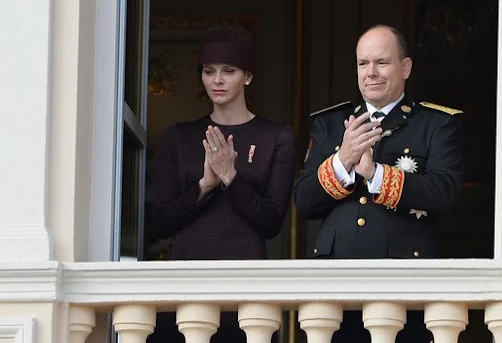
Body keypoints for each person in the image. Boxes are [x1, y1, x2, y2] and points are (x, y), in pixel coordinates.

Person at [293, 24, 464, 343]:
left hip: (405, 286)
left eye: (382, 62)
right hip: (335, 285)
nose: (371, 72)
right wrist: (342, 160)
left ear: (406, 67)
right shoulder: (330, 124)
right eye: (363, 63)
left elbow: (445, 193)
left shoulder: (435, 124)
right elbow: (304, 201)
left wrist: (376, 174)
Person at [148, 25, 296, 343]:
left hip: (248, 284)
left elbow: (271, 223)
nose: (217, 80)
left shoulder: (276, 137)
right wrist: (204, 185)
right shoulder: (179, 137)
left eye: (229, 70)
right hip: (187, 281)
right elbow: (161, 221)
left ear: (248, 76)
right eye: (209, 70)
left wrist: (231, 177)